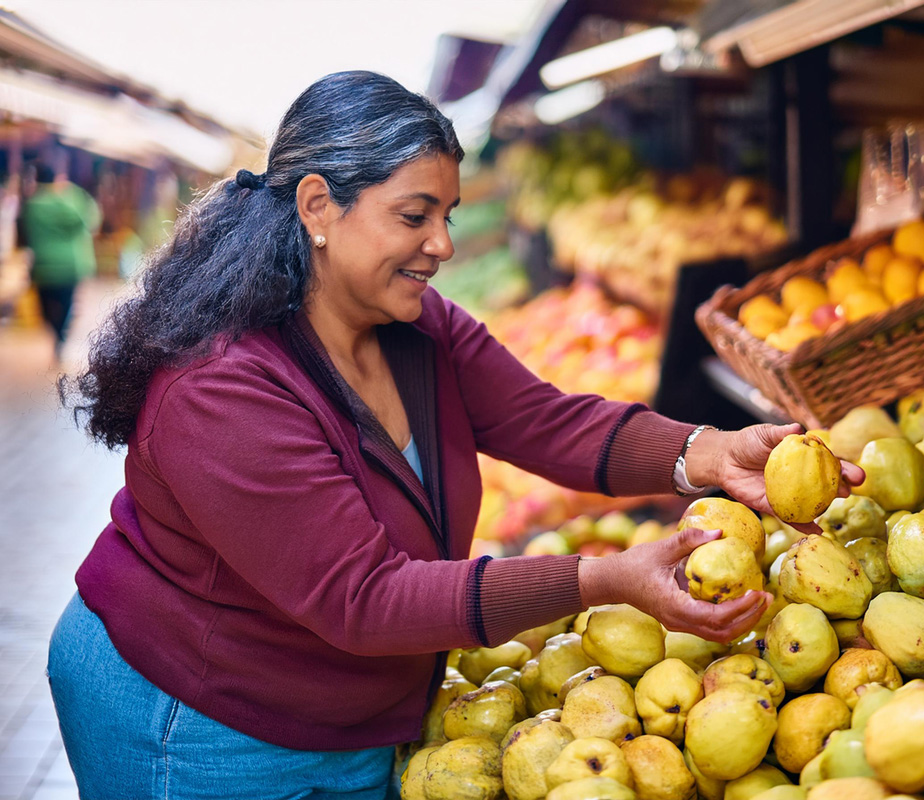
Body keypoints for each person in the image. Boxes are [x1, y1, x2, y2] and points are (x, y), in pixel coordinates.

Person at [50, 71, 863, 800]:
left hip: (355, 710)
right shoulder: (221, 388)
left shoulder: (414, 325)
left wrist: (706, 452)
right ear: (318, 207)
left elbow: (543, 420)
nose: (441, 245)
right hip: (196, 722)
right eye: (415, 215)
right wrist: (600, 578)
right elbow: (362, 597)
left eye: (448, 214)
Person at [20, 162, 102, 364]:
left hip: (44, 267)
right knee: (66, 305)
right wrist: (70, 190)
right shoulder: (71, 199)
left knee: (45, 307)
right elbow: (90, 218)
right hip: (71, 265)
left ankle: (56, 332)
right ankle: (60, 337)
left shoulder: (31, 205)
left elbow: (24, 234)